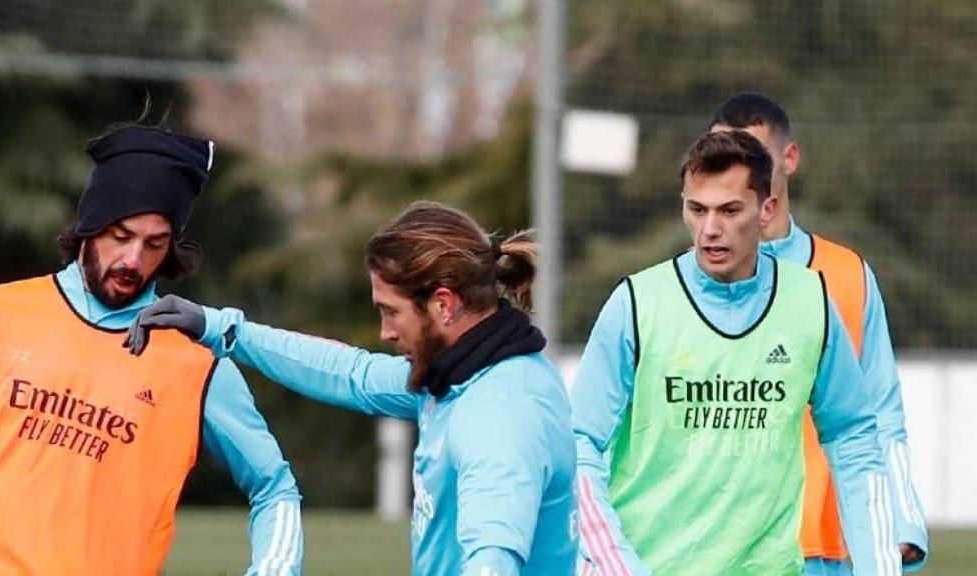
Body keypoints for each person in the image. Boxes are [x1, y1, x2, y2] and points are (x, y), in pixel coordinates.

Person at [125, 200, 578, 576]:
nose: (385, 331)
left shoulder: (497, 417)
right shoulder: (466, 376)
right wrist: (220, 328)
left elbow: (492, 562)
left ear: (443, 304)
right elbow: (352, 374)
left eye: (391, 312)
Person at [0, 124, 303, 576]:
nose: (133, 260)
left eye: (154, 244)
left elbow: (275, 488)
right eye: (121, 236)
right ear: (89, 226)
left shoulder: (197, 363)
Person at [571, 130, 901, 576]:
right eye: (697, 209)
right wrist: (618, 565)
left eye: (729, 210)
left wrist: (880, 568)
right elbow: (578, 443)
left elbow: (854, 437)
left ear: (766, 210)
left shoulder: (811, 303)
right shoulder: (635, 304)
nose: (710, 229)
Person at [708, 92, 928, 574]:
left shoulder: (847, 274)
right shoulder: (687, 287)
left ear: (789, 159)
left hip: (826, 550)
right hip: (720, 548)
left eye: (755, 158)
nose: (741, 175)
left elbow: (880, 411)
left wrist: (902, 522)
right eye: (726, 159)